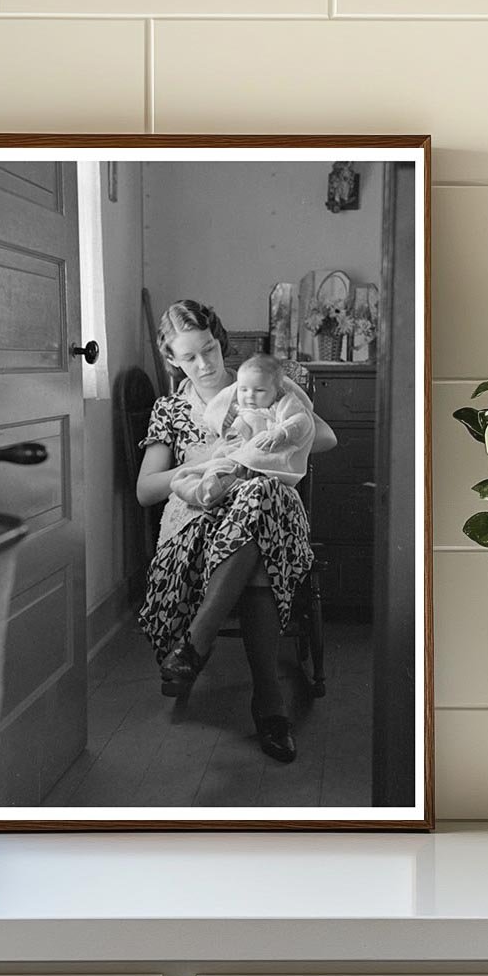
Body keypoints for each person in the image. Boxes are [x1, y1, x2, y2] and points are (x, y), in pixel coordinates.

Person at [136, 300, 337, 763]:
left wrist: (268, 439)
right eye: (189, 357)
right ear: (172, 360)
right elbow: (147, 490)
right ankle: (270, 705)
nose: (204, 364)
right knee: (256, 535)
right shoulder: (169, 408)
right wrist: (209, 459)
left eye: (208, 349)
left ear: (219, 340)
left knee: (258, 498)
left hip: (267, 507)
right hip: (200, 520)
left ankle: (196, 641)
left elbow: (324, 437)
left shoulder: (258, 384)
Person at [170, 353, 316, 509]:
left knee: (250, 460)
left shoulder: (281, 404)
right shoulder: (237, 408)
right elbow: (215, 414)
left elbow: (302, 420)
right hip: (236, 452)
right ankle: (201, 489)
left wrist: (281, 432)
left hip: (264, 451)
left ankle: (227, 482)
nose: (250, 396)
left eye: (259, 390)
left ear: (276, 391)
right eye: (243, 389)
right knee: (209, 468)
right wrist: (223, 421)